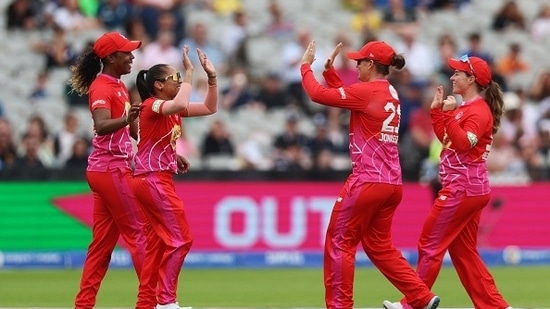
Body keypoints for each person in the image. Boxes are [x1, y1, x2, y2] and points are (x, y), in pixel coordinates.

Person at [300, 40, 440, 309]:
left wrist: (306, 66)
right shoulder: (390, 92)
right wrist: (331, 74)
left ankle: (340, 306)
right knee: (379, 246)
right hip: (391, 184)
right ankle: (421, 296)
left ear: (372, 64)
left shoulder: (368, 91)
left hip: (367, 179)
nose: (356, 64)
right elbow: (355, 100)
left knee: (340, 240)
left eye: (360, 61)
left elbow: (317, 95)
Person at [384, 56, 512, 309]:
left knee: (430, 243)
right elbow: (447, 138)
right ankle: (496, 306)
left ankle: (414, 303)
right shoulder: (468, 108)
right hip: (468, 187)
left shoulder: (477, 110)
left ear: (472, 79)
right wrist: (437, 112)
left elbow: (464, 144)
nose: (452, 77)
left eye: (458, 73)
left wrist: (450, 115)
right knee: (463, 253)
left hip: (461, 188)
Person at [132, 45, 218, 309]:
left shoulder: (168, 109)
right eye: (175, 78)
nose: (179, 81)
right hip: (152, 180)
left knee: (158, 245)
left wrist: (212, 78)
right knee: (181, 239)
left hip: (154, 179)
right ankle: (167, 302)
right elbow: (180, 102)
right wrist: (191, 72)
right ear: (158, 85)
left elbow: (208, 107)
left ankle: (147, 302)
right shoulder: (152, 104)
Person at [68, 31, 147, 309]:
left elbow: (132, 130)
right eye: (126, 52)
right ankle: (155, 301)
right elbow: (101, 125)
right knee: (140, 235)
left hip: (106, 170)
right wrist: (128, 118)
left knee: (101, 246)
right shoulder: (102, 87)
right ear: (112, 57)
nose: (132, 56)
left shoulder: (119, 86)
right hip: (112, 169)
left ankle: (83, 304)